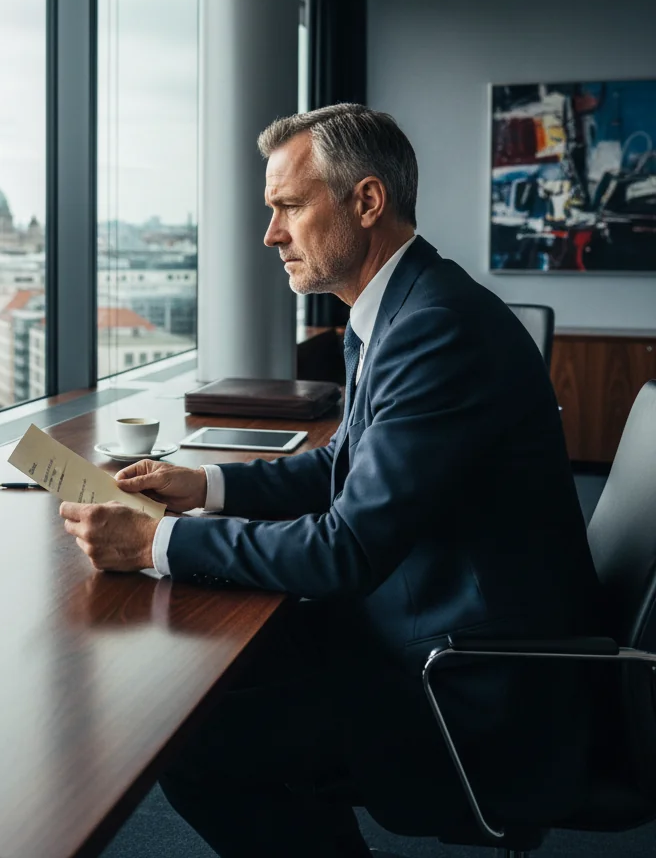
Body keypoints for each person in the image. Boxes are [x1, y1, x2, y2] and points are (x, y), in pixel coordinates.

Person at [59, 104, 601, 857]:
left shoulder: (434, 328)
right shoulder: (400, 307)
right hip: (420, 620)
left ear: (366, 202)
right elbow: (340, 466)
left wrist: (158, 542)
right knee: (201, 689)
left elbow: (348, 550)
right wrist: (203, 487)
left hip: (466, 681)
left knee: (197, 745)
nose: (270, 234)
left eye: (287, 207)